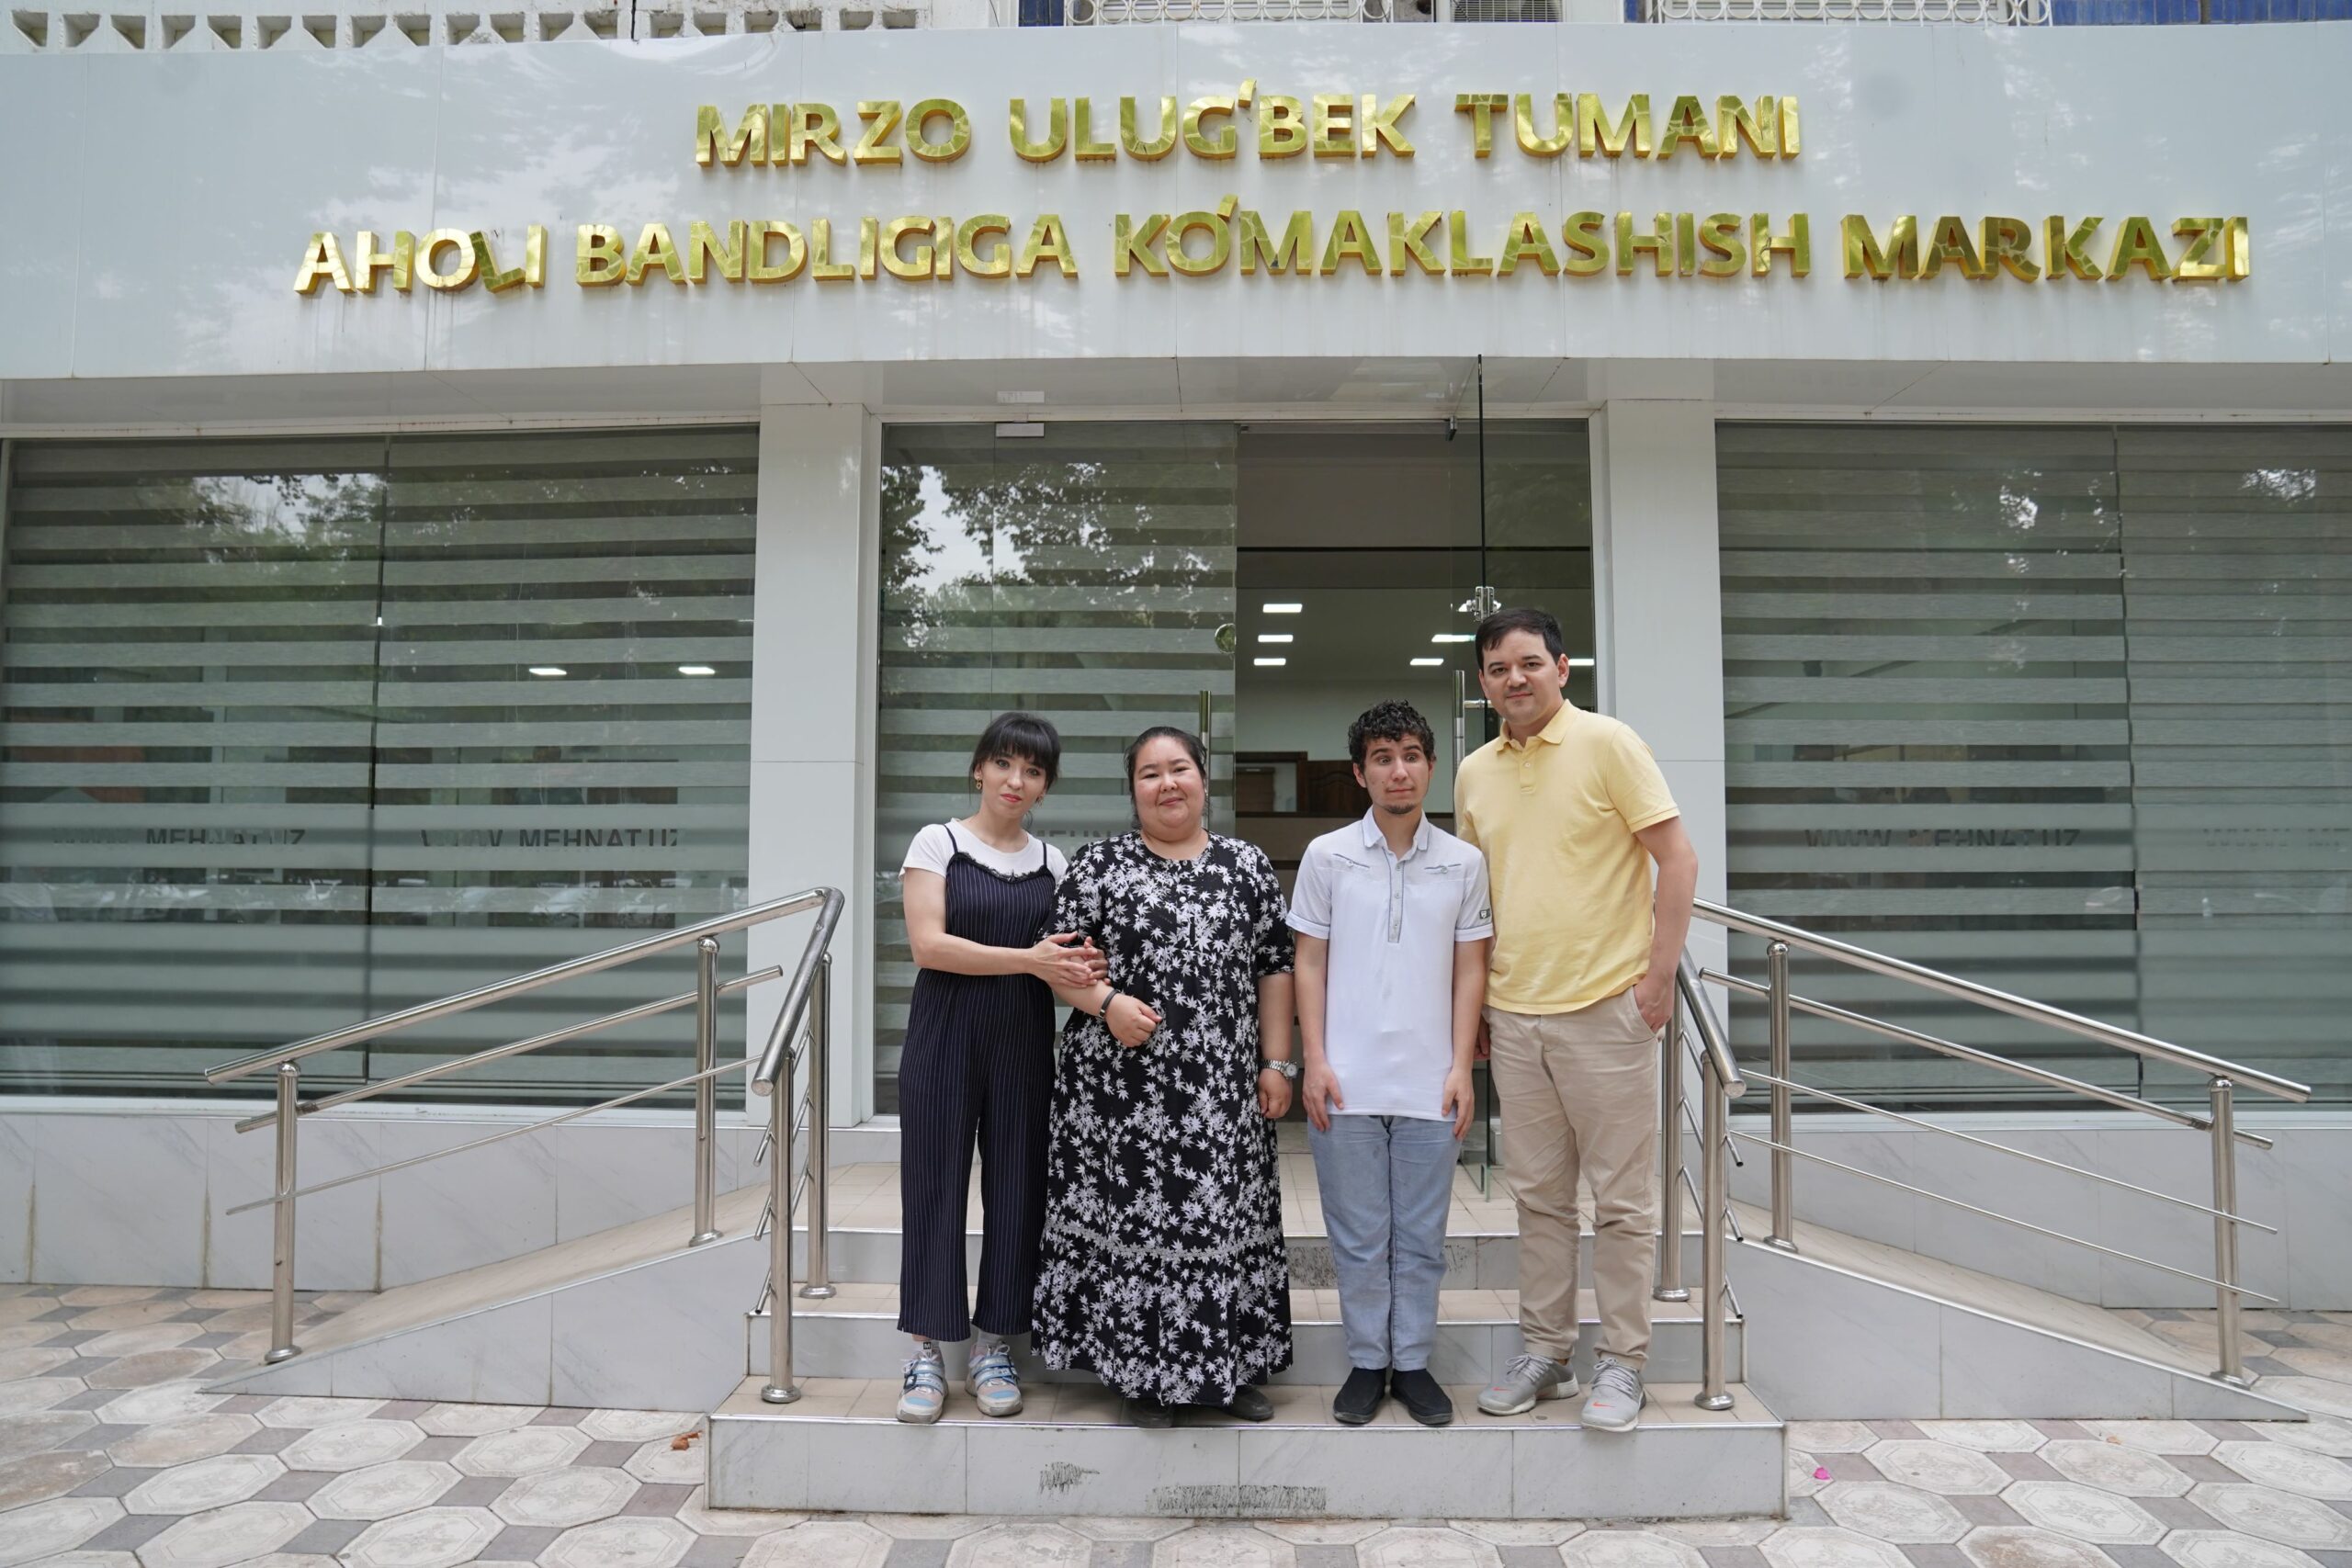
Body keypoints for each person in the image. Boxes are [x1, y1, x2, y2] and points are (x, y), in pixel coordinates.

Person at [1455, 607, 1697, 1433]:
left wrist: (1657, 980)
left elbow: (1678, 857)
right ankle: (1547, 1351)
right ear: (1483, 683)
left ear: (1563, 666)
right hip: (1517, 1016)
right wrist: (1479, 1003)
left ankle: (1623, 1363)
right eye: (1497, 668)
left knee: (1624, 1203)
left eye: (1528, 662)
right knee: (1539, 1198)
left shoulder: (1609, 743)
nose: (1513, 679)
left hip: (1606, 1009)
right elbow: (1478, 898)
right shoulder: (1476, 771)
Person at [1030, 725, 1298, 1427]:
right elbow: (1062, 968)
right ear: (1133, 790)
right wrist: (1108, 1004)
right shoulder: (1099, 865)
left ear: (1204, 779)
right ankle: (1138, 1376)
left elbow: (1276, 966)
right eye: (1150, 773)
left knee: (1221, 1222)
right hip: (1119, 1090)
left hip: (1221, 1088)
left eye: (1179, 768)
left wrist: (1276, 1062)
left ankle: (1225, 1369)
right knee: (1133, 1225)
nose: (1167, 783)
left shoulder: (1245, 865)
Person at [893, 711, 1107, 1425]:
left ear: (1046, 786)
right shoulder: (938, 843)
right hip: (941, 1041)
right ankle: (926, 1349)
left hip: (1022, 1045)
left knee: (1018, 1195)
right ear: (979, 768)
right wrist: (1028, 958)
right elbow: (930, 945)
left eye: (1034, 770)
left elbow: (1065, 969)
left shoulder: (1055, 865)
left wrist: (1092, 978)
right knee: (935, 1189)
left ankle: (992, 1347)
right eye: (1005, 764)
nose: (1017, 780)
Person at [1290, 701, 1491, 1427]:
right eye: (1382, 756)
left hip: (1431, 1080)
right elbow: (1307, 963)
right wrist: (1312, 1060)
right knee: (1357, 1232)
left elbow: (1472, 971)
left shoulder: (1464, 862)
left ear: (1432, 767)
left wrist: (1462, 1067)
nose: (1398, 768)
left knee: (1422, 1234)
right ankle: (1367, 1360)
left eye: (1410, 753)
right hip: (1343, 1078)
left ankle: (1412, 1361)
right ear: (1359, 772)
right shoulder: (1328, 855)